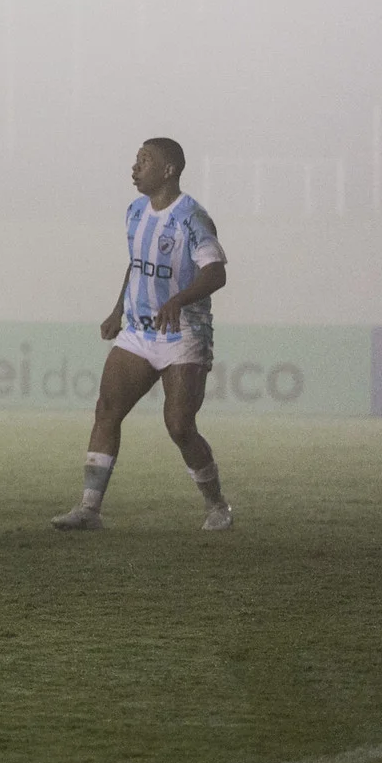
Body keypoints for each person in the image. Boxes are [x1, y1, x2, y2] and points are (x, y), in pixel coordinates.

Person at [52, 138, 233, 533]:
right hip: (137, 330)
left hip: (182, 331)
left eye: (144, 161)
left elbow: (215, 272)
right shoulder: (135, 211)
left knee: (180, 426)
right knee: (106, 411)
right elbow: (137, 265)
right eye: (135, 161)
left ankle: (217, 505)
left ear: (168, 170)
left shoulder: (192, 218)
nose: (135, 168)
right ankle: (89, 509)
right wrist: (118, 310)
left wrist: (179, 300)